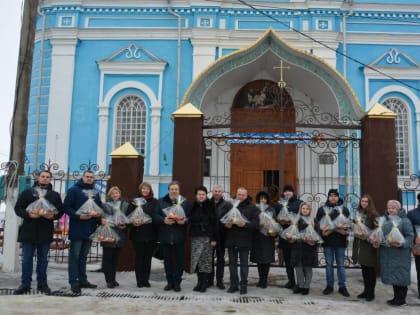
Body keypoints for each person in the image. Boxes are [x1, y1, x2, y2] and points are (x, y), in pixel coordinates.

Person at [13, 170, 63, 295]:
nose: (45, 179)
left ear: (50, 179)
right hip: (28, 231)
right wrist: (28, 214)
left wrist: (52, 216)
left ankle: (42, 284)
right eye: (43, 176)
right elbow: (18, 208)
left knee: (43, 260)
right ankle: (25, 284)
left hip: (45, 231)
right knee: (26, 259)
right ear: (38, 178)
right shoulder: (27, 193)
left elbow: (60, 212)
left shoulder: (54, 195)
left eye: (47, 177)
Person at [63, 170, 102, 294]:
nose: (89, 179)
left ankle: (83, 280)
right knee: (74, 256)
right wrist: (78, 216)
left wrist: (98, 214)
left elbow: (99, 207)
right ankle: (74, 282)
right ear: (82, 177)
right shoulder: (73, 190)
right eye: (87, 177)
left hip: (90, 228)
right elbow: (66, 207)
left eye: (91, 177)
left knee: (84, 257)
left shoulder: (95, 192)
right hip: (78, 228)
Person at [373, 200, 414, 306]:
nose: (391, 210)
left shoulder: (404, 221)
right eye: (389, 208)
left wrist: (402, 244)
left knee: (401, 276)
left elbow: (410, 236)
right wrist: (377, 241)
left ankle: (401, 299)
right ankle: (396, 297)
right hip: (387, 253)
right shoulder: (384, 220)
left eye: (393, 208)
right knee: (394, 277)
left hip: (400, 254)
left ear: (398, 209)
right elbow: (381, 236)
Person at [152, 181, 191, 292]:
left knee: (179, 261)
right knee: (167, 261)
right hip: (165, 236)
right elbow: (154, 215)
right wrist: (163, 220)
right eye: (172, 189)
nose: (174, 191)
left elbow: (190, 217)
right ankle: (169, 282)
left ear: (179, 190)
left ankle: (177, 282)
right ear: (168, 190)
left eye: (176, 189)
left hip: (179, 236)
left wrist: (184, 221)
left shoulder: (185, 202)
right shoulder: (161, 202)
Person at [225, 187, 259, 295]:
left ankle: (243, 285)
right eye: (239, 194)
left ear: (246, 195)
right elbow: (225, 219)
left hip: (245, 240)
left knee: (244, 264)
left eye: (243, 195)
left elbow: (256, 224)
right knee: (232, 264)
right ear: (236, 194)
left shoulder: (252, 208)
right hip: (232, 239)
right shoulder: (231, 206)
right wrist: (227, 224)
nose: (240, 197)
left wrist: (245, 224)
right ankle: (233, 284)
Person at [316, 188, 351, 297]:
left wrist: (345, 232)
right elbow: (318, 226)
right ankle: (329, 285)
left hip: (340, 241)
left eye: (335, 196)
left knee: (341, 265)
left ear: (338, 197)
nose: (333, 197)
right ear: (328, 197)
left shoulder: (344, 210)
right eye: (331, 195)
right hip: (328, 241)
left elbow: (348, 225)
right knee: (329, 265)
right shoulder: (322, 210)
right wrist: (322, 234)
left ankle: (342, 286)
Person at [127, 182, 158, 288]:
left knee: (148, 258)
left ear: (150, 190)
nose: (145, 190)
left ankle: (146, 279)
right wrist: (133, 222)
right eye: (143, 188)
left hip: (151, 234)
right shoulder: (134, 201)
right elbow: (128, 216)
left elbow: (156, 215)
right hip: (137, 233)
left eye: (147, 189)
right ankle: (139, 280)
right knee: (139, 258)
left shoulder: (154, 201)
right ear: (140, 190)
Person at [100, 186, 129, 288]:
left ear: (120, 194)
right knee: (108, 259)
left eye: (116, 193)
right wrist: (112, 221)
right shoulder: (105, 205)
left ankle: (113, 279)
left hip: (120, 234)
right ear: (110, 195)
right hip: (108, 234)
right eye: (113, 193)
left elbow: (128, 218)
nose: (115, 195)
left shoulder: (125, 205)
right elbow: (103, 217)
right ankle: (109, 280)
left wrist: (125, 224)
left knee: (115, 259)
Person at [352, 194, 379, 301]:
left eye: (366, 201)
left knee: (370, 269)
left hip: (368, 245)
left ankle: (371, 293)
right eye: (362, 201)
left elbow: (378, 230)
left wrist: (369, 236)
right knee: (364, 269)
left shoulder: (374, 214)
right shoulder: (358, 213)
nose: (364, 203)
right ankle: (365, 291)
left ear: (370, 203)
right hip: (359, 244)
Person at [190, 186, 217, 292]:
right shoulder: (193, 206)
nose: (201, 196)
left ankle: (204, 283)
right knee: (197, 260)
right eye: (199, 194)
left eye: (203, 194)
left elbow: (215, 223)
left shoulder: (211, 206)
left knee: (205, 261)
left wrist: (214, 238)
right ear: (196, 196)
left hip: (207, 237)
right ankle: (199, 282)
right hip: (196, 237)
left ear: (206, 195)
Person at [275, 184, 302, 289]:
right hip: (284, 235)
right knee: (287, 260)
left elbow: (303, 217)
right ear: (283, 193)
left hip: (295, 236)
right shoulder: (279, 204)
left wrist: (293, 222)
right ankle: (291, 280)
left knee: (297, 260)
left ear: (293, 192)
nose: (287, 193)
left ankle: (300, 282)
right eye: (286, 191)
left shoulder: (299, 203)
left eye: (289, 191)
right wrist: (280, 221)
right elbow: (276, 217)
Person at [290, 202, 318, 295]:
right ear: (300, 210)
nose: (305, 210)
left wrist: (312, 239)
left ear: (310, 210)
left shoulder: (314, 221)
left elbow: (318, 235)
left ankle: (306, 287)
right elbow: (292, 232)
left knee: (307, 269)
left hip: (309, 248)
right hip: (297, 248)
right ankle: (300, 285)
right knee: (298, 268)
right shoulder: (296, 220)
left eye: (307, 208)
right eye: (303, 208)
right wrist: (291, 237)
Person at [250, 191, 276, 289]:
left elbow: (274, 221)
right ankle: (260, 279)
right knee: (259, 259)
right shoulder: (254, 208)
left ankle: (264, 280)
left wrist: (270, 226)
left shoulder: (272, 209)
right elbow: (252, 220)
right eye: (261, 199)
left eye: (264, 198)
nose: (263, 200)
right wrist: (257, 225)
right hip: (257, 236)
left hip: (268, 237)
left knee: (267, 259)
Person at [210, 184, 232, 289]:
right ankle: (209, 280)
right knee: (208, 258)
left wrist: (229, 224)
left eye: (219, 191)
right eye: (216, 191)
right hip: (209, 235)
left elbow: (231, 218)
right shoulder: (207, 204)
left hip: (222, 236)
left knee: (220, 259)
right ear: (212, 192)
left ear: (222, 193)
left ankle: (219, 280)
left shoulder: (227, 205)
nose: (217, 193)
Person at [407, 193, 420, 299]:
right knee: (419, 269)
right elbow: (409, 229)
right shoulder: (412, 214)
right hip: (418, 245)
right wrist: (416, 237)